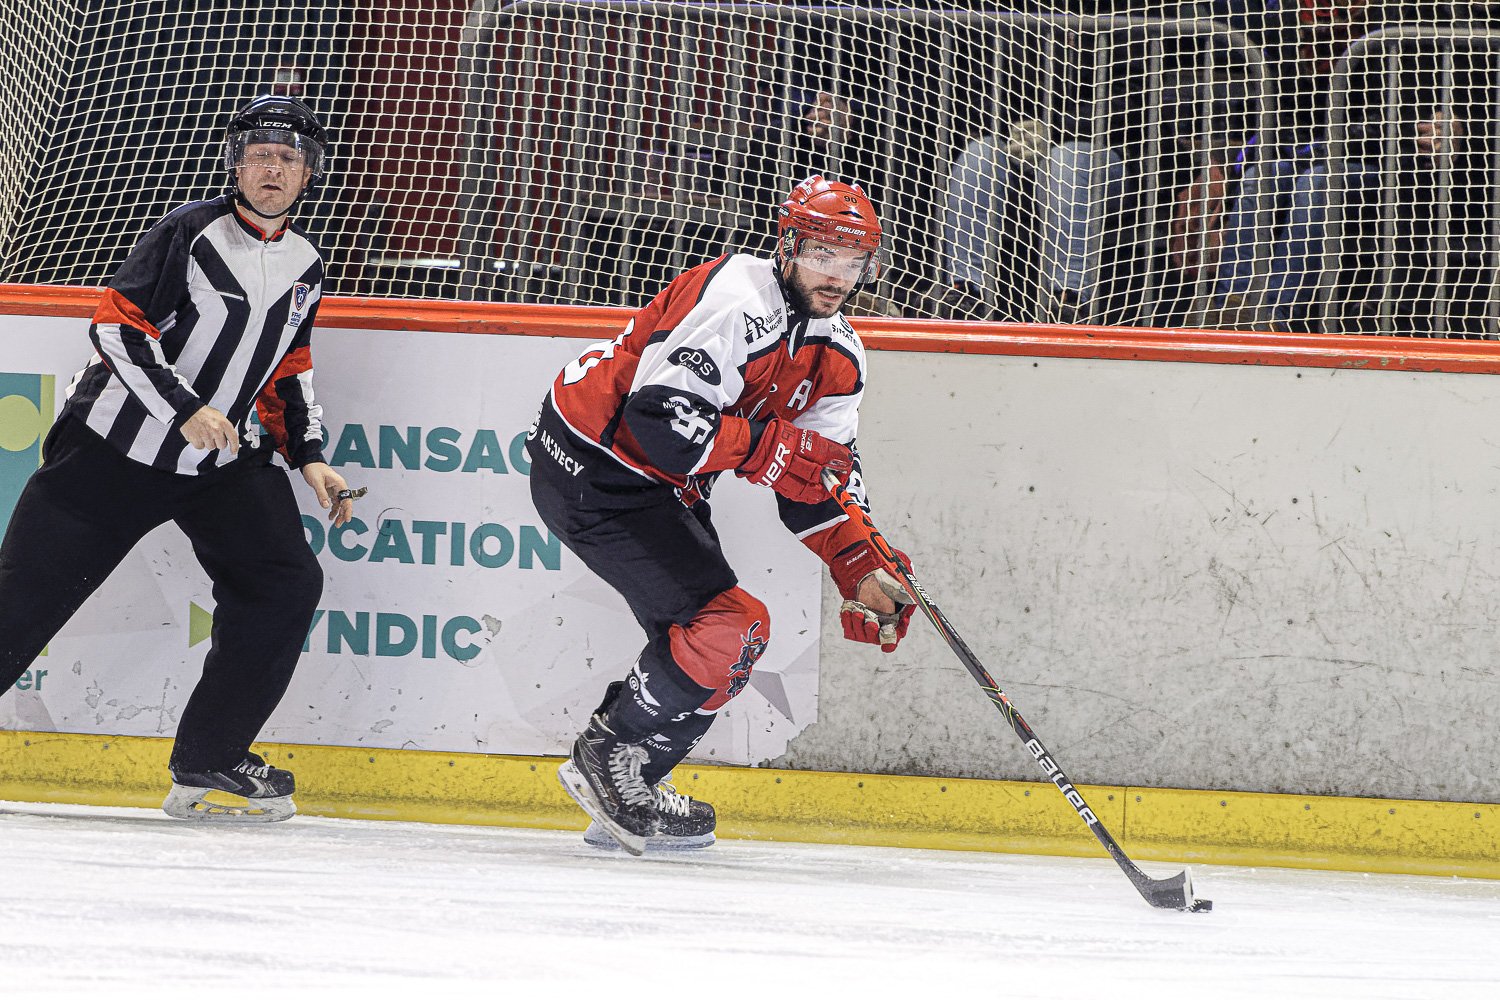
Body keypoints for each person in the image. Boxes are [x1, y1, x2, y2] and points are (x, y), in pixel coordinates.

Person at [528, 175, 917, 855]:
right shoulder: (736, 297)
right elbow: (658, 422)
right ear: (788, 245)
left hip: (662, 483)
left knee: (725, 640)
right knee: (729, 624)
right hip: (594, 463)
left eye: (854, 261)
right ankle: (608, 757)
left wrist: (860, 563)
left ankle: (627, 785)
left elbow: (820, 480)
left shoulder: (841, 356)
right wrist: (768, 448)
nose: (837, 276)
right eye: (823, 254)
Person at [0, 95, 356, 823]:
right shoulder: (188, 233)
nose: (273, 169)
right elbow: (118, 328)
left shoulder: (307, 263)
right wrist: (184, 407)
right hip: (110, 454)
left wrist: (310, 456)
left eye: (288, 159)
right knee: (23, 599)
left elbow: (288, 367)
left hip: (219, 465)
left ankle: (210, 756)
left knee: (284, 584)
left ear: (309, 174)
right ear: (236, 165)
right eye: (260, 155)